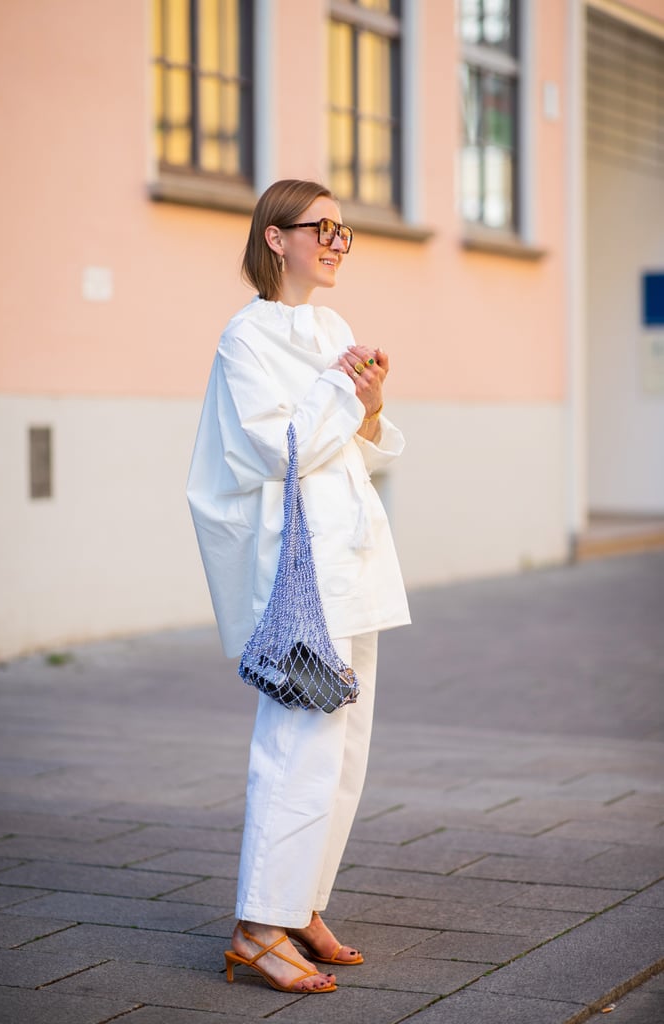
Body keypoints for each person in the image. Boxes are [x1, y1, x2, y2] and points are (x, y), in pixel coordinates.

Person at [187, 179, 410, 994]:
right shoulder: (243, 339)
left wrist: (370, 404)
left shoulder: (332, 327)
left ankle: (301, 902)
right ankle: (255, 926)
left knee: (345, 748)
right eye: (322, 228)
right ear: (274, 238)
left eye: (344, 232)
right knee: (296, 746)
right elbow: (270, 449)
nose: (335, 242)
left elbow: (350, 439)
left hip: (348, 557)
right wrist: (336, 392)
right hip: (298, 576)